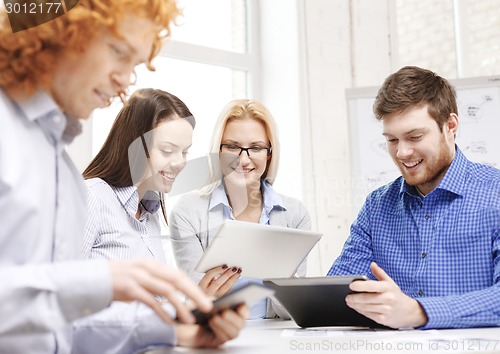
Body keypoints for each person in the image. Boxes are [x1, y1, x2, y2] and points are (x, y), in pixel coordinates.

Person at [0, 1, 245, 352]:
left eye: (135, 63)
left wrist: (177, 329)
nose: (125, 80)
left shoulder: (62, 173)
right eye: (118, 52)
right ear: (61, 32)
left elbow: (57, 328)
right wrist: (96, 283)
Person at [74, 88, 247, 353]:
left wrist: (197, 301)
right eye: (167, 150)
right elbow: (61, 304)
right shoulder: (91, 197)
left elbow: (145, 310)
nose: (179, 163)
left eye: (185, 152)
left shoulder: (150, 214)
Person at [327, 66, 500, 329]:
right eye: (392, 140)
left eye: (415, 136)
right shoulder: (377, 206)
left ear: (450, 126)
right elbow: (340, 289)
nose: (402, 152)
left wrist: (419, 312)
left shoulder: (495, 194)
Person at [170, 99, 312, 319]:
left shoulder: (294, 214)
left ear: (269, 153)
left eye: (255, 148)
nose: (243, 159)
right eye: (232, 146)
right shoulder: (187, 212)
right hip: (216, 336)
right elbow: (198, 303)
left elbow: (291, 312)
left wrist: (280, 277)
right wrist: (204, 295)